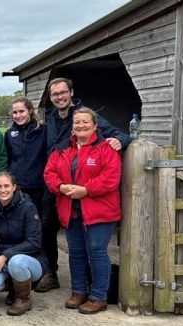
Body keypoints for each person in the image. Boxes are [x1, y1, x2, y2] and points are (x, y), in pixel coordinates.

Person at [37, 77, 131, 293]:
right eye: (55, 94)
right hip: (58, 186)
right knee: (47, 229)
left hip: (87, 192)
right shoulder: (50, 118)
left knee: (95, 248)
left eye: (62, 92)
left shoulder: (83, 115)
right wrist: (58, 185)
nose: (59, 97)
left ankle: (97, 291)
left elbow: (120, 134)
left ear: (71, 93)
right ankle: (52, 273)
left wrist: (120, 141)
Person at [44, 107, 122, 314]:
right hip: (71, 210)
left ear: (95, 125)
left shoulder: (106, 148)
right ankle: (79, 291)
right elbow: (49, 173)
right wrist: (60, 187)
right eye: (77, 122)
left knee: (96, 252)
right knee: (76, 253)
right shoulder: (63, 149)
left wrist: (85, 190)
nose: (80, 125)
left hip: (99, 211)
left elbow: (110, 178)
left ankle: (98, 296)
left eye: (85, 122)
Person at [0, 172, 47, 316]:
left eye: (6, 186)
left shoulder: (28, 208)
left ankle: (23, 299)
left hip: (30, 260)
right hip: (3, 259)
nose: (3, 190)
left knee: (16, 262)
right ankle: (14, 290)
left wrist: (5, 256)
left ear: (14, 187)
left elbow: (34, 242)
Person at [5, 97, 48, 214]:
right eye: (15, 112)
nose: (18, 115)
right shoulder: (9, 134)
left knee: (35, 220)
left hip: (38, 186)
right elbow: (8, 158)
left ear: (29, 111)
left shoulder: (43, 130)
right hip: (16, 186)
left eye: (21, 111)